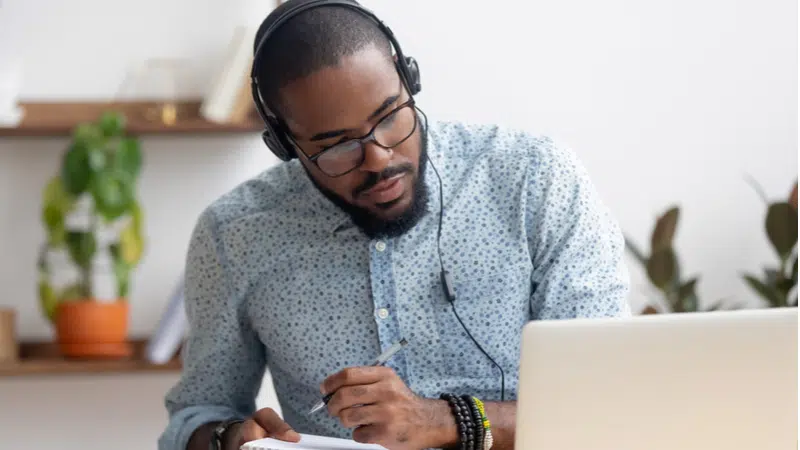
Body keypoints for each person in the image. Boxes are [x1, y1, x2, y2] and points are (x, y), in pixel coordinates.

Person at [158, 1, 631, 449]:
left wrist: (445, 421)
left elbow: (608, 400)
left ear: (410, 81)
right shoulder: (234, 234)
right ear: (285, 144)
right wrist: (229, 438)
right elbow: (196, 416)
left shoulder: (535, 180)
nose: (379, 158)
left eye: (389, 116)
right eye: (336, 145)